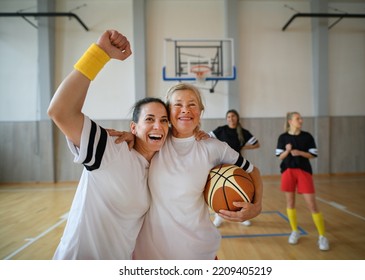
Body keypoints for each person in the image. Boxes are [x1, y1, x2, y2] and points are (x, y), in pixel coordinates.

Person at [47, 30, 169, 259]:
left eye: (164, 121)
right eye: (149, 120)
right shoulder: (111, 149)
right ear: (133, 127)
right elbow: (60, 111)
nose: (158, 126)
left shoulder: (161, 164)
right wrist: (99, 54)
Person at [131, 83, 264, 259]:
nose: (185, 110)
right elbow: (138, 132)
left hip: (198, 250)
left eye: (192, 104)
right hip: (151, 252)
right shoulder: (156, 140)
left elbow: (253, 171)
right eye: (178, 104)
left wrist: (257, 206)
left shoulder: (214, 147)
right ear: (168, 111)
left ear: (200, 110)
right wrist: (129, 136)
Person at [275, 112, 329, 251]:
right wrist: (287, 151)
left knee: (312, 205)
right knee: (290, 203)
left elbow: (313, 154)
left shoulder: (307, 136)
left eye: (301, 118)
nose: (301, 120)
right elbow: (280, 157)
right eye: (298, 118)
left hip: (304, 172)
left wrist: (300, 153)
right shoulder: (283, 137)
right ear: (290, 121)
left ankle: (322, 236)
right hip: (287, 171)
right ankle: (295, 231)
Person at [209, 109, 260, 227]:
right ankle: (218, 216)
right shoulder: (221, 130)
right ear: (226, 119)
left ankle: (243, 215)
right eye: (228, 117)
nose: (231, 119)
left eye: (233, 116)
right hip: (222, 165)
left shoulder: (243, 132)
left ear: (237, 118)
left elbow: (256, 144)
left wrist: (243, 147)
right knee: (221, 192)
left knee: (241, 190)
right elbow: (207, 137)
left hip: (237, 164)